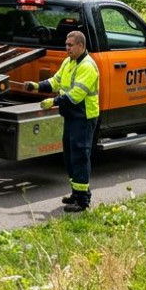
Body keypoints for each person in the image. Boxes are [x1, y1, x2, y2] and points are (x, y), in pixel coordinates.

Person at [24, 30, 100, 212]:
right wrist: (37, 86)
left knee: (80, 156)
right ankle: (76, 192)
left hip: (84, 116)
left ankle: (82, 200)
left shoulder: (88, 66)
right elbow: (56, 81)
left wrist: (54, 101)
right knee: (70, 155)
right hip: (72, 115)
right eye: (66, 45)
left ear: (81, 46)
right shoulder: (69, 62)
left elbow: (76, 95)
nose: (67, 48)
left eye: (70, 45)